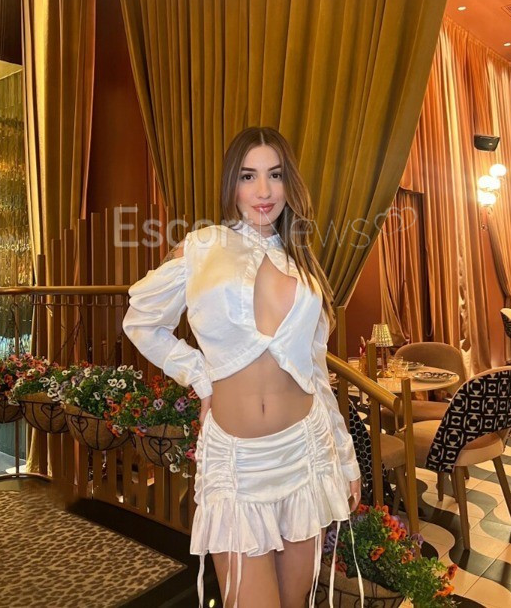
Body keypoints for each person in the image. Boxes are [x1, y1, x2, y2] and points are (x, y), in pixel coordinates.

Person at [122, 126, 362, 608]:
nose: (264, 190)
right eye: (248, 176)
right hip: (235, 465)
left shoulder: (303, 262)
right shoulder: (202, 247)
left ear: (289, 183)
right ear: (232, 183)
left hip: (306, 451)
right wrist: (200, 376)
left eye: (275, 174)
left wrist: (345, 458)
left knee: (295, 602)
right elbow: (141, 321)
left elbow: (315, 371)